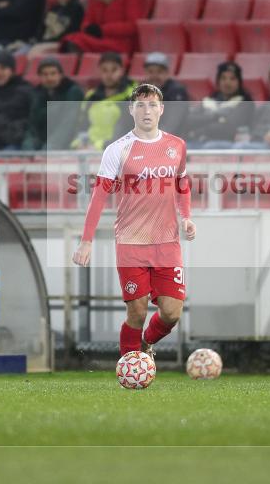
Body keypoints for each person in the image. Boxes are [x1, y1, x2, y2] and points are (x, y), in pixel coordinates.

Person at [72, 83, 196, 358]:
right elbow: (98, 196)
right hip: (131, 242)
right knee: (137, 312)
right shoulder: (117, 150)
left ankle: (145, 344)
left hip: (167, 242)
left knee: (172, 313)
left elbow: (182, 184)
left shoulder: (177, 146)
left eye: (152, 105)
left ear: (162, 109)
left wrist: (186, 217)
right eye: (140, 105)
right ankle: (128, 368)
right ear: (131, 110)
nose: (147, 110)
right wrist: (86, 241)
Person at [73, 51, 135, 150]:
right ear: (99, 71)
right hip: (89, 149)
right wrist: (80, 142)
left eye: (114, 70)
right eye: (104, 70)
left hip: (118, 151)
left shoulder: (132, 96)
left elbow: (127, 128)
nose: (109, 75)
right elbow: (83, 124)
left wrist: (100, 146)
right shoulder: (91, 96)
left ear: (122, 71)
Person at [185, 61, 255, 148]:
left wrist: (198, 131)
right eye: (223, 78)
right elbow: (189, 120)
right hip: (199, 141)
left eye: (232, 78)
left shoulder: (245, 103)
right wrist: (215, 117)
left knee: (209, 147)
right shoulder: (208, 101)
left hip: (227, 144)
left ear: (239, 82)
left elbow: (229, 128)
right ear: (218, 81)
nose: (227, 82)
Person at [22, 56, 84, 151]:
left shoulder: (72, 92)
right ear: (40, 76)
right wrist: (28, 144)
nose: (49, 78)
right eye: (45, 74)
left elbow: (69, 124)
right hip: (42, 142)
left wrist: (49, 146)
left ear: (61, 75)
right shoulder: (37, 94)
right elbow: (32, 125)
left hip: (67, 143)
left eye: (53, 73)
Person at [139, 52, 189, 138]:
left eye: (159, 72)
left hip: (172, 141)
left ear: (167, 73)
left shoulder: (176, 91)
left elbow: (172, 123)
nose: (154, 76)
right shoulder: (139, 91)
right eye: (150, 72)